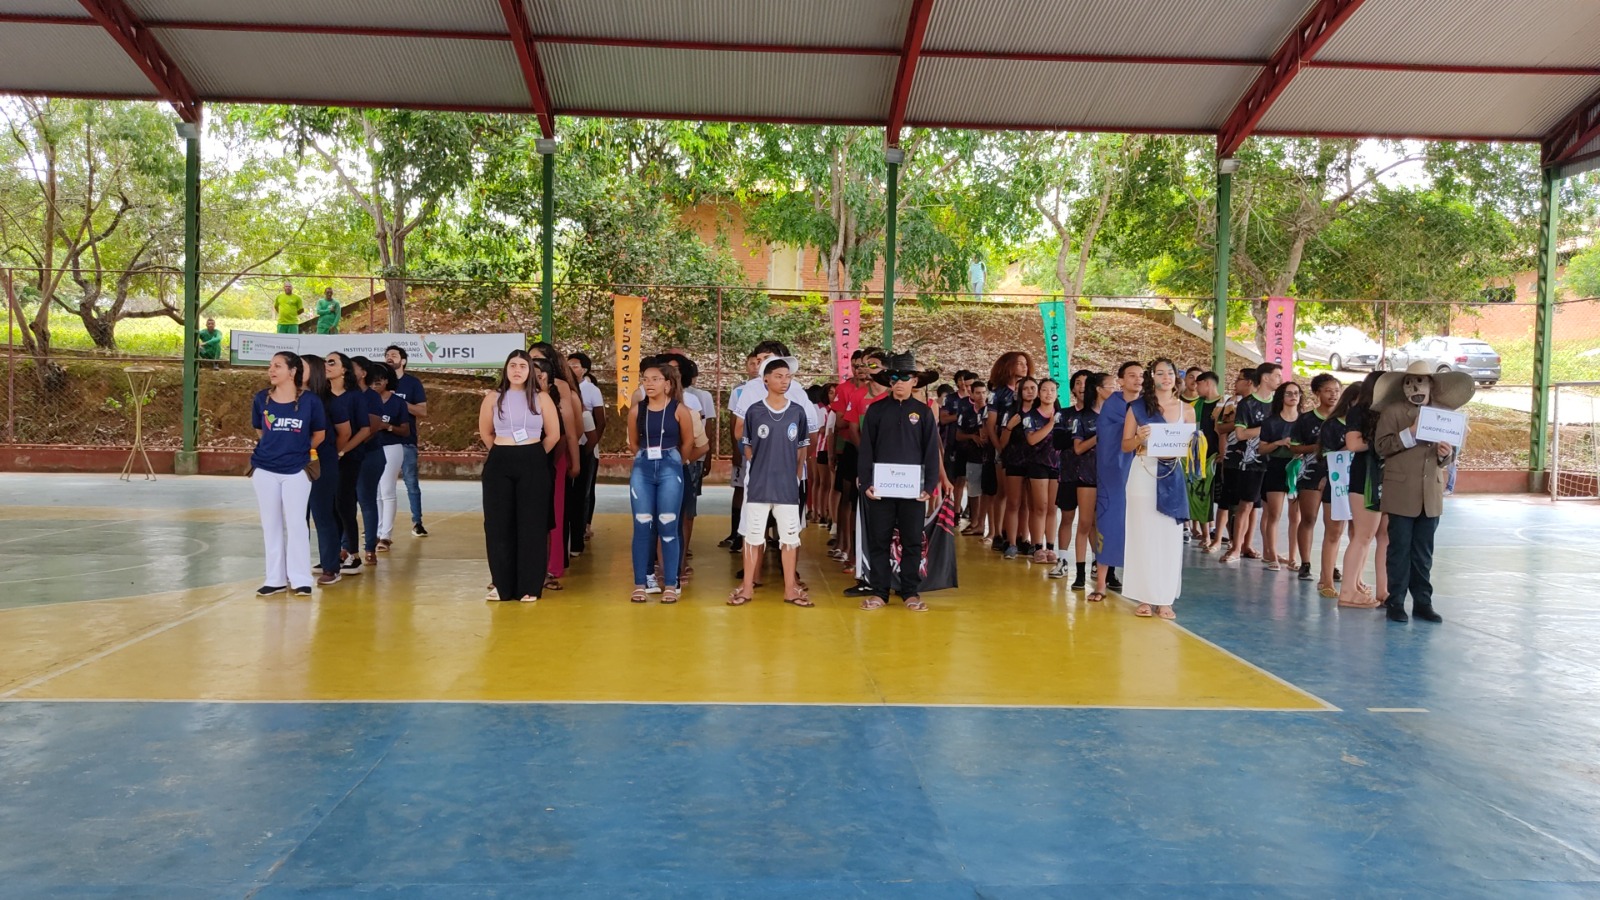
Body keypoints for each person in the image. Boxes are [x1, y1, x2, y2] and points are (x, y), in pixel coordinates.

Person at [1374, 362, 1474, 624]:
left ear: (1431, 384)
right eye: (1408, 382)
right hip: (1400, 491)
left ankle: (1423, 603)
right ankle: (1395, 602)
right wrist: (1410, 433)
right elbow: (1381, 447)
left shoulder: (1444, 415)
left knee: (1423, 553)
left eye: (1420, 381)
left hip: (1430, 494)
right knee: (1399, 550)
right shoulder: (1393, 412)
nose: (1414, 387)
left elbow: (1449, 456)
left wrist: (1445, 455)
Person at [856, 352, 942, 612]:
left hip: (913, 491)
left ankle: (910, 592)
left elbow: (931, 451)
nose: (899, 382)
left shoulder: (923, 413)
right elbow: (866, 449)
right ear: (889, 381)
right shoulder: (876, 410)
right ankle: (879, 592)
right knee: (879, 540)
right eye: (894, 377)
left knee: (912, 541)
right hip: (881, 490)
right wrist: (866, 483)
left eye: (905, 377)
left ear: (915, 381)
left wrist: (929, 486)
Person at [479, 350, 561, 603]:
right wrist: (503, 452)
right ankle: (502, 585)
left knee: (532, 525)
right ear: (505, 369)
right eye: (512, 365)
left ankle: (529, 586)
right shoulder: (493, 397)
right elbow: (486, 432)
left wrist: (533, 455)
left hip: (533, 459)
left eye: (522, 366)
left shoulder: (542, 398)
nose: (517, 370)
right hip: (500, 460)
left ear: (530, 371)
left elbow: (553, 435)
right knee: (498, 525)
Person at [729, 356, 811, 607]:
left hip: (787, 487)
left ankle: (790, 589)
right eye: (778, 376)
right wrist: (759, 467)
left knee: (790, 538)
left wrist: (794, 476)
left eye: (788, 377)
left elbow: (802, 449)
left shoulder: (797, 411)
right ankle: (747, 589)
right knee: (753, 537)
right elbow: (747, 446)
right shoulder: (755, 411)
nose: (784, 381)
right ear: (765, 380)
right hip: (759, 485)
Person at [1120, 358, 1195, 619]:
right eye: (1160, 373)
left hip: (1172, 474)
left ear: (1176, 377)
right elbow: (1125, 445)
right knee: (1143, 535)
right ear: (1152, 378)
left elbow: (1189, 446)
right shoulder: (1138, 408)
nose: (1165, 377)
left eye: (1169, 373)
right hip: (1143, 471)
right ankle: (1144, 596)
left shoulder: (1187, 410)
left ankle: (1164, 599)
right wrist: (1138, 438)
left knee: (1168, 537)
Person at [249, 351, 326, 597]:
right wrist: (275, 447)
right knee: (270, 524)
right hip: (264, 469)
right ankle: (275, 579)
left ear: (292, 371)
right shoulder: (261, 399)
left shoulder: (311, 401)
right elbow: (261, 431)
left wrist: (298, 450)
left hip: (297, 469)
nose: (271, 370)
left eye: (278, 366)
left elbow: (319, 434)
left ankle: (301, 579)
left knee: (296, 524)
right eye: (270, 366)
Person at [625, 357, 695, 604]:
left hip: (670, 467)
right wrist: (645, 458)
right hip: (643, 468)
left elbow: (688, 442)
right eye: (645, 379)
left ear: (667, 384)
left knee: (668, 525)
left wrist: (674, 461)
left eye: (656, 379)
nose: (650, 383)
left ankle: (671, 583)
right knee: (642, 525)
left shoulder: (679, 409)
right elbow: (634, 443)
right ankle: (641, 583)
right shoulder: (637, 410)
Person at [530, 345, 583, 591]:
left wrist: (574, 460)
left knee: (554, 511)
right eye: (529, 359)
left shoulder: (560, 387)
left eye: (538, 360)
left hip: (553, 457)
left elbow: (570, 430)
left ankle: (552, 565)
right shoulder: (514, 390)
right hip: (525, 458)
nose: (533, 365)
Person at [1219, 364, 1283, 565]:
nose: (1280, 380)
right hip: (1251, 461)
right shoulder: (1247, 404)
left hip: (1275, 461)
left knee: (1268, 509)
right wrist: (1267, 429)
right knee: (1246, 504)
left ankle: (1269, 551)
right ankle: (1236, 547)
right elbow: (1240, 434)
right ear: (1265, 378)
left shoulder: (1280, 404)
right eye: (1276, 375)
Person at [1091, 361, 1142, 601]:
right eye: (1131, 375)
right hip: (1115, 472)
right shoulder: (1113, 404)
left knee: (1141, 525)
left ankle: (1141, 584)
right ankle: (1101, 582)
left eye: (1141, 375)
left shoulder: (1149, 404)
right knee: (1110, 521)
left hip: (1143, 471)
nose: (1137, 379)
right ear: (1120, 381)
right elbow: (1111, 436)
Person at [1337, 373, 1387, 609]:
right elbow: (1353, 444)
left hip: (1383, 478)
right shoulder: (1360, 411)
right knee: (1362, 536)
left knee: (1377, 536)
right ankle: (1347, 591)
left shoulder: (1386, 411)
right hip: (1365, 478)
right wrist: (1385, 441)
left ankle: (1370, 587)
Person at [300, 354, 351, 587]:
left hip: (323, 462)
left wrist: (329, 453)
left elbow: (344, 433)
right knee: (297, 516)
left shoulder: (330, 401)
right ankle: (297, 566)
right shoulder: (289, 399)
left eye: (300, 367)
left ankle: (331, 566)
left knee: (322, 513)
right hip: (294, 463)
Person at [326, 352, 372, 576]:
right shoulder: (322, 396)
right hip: (326, 458)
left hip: (350, 457)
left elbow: (364, 429)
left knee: (344, 504)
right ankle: (333, 553)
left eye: (332, 362)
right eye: (325, 362)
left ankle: (354, 553)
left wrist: (343, 450)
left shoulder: (355, 397)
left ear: (344, 369)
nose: (326, 366)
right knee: (330, 506)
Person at [1291, 374, 1341, 582]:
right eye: (1328, 391)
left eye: (1337, 391)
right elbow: (1294, 447)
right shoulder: (1306, 419)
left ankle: (1330, 565)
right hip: (1311, 473)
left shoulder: (1343, 420)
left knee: (1334, 524)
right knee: (1309, 518)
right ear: (1317, 393)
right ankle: (1305, 562)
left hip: (1337, 477)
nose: (1333, 395)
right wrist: (1316, 447)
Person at [359, 361, 410, 558]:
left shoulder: (397, 403)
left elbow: (405, 430)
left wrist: (387, 427)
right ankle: (375, 531)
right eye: (372, 381)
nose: (375, 384)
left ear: (387, 381)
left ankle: (386, 535)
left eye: (379, 381)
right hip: (370, 449)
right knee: (374, 492)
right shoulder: (365, 400)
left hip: (391, 447)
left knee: (387, 490)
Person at [984, 351, 1033, 553]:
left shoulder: (1030, 389)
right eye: (1019, 363)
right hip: (1003, 446)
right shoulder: (998, 393)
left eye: (1025, 363)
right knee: (1003, 492)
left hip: (1025, 448)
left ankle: (1022, 536)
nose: (1024, 367)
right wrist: (998, 447)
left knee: (1024, 497)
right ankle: (998, 533)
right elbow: (990, 424)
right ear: (1008, 366)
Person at [1317, 383, 1361, 598]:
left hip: (1360, 483)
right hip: (1337, 484)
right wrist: (1352, 444)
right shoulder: (1332, 425)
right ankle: (1326, 579)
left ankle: (1356, 580)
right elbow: (1327, 455)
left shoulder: (1369, 425)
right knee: (1334, 532)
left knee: (1358, 533)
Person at [1071, 372, 1114, 590]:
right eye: (1111, 386)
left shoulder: (1118, 415)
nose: (1115, 390)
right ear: (1099, 389)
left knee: (1107, 525)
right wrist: (1099, 437)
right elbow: (1078, 449)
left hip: (1111, 477)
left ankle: (1108, 571)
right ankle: (1080, 572)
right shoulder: (1082, 417)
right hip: (1087, 475)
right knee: (1085, 523)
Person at [383, 346, 430, 538]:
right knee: (381, 485)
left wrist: (398, 402)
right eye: (387, 355)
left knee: (411, 482)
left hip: (406, 441)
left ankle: (417, 522)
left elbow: (422, 411)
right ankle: (378, 525)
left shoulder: (412, 383)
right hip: (383, 441)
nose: (389, 358)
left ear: (403, 361)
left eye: (394, 355)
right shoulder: (380, 383)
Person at [1048, 370, 1090, 579]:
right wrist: (1080, 436)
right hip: (1068, 473)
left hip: (1093, 476)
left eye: (1087, 383)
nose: (1083, 387)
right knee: (1067, 517)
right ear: (1073, 388)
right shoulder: (1063, 414)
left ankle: (1096, 563)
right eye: (1078, 383)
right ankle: (1062, 560)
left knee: (1091, 521)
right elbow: (1058, 442)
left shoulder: (1101, 415)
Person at [720, 351, 763, 552]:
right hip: (743, 448)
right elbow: (733, 421)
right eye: (751, 363)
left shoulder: (772, 388)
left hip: (762, 450)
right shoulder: (739, 391)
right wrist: (735, 449)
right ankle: (735, 532)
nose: (755, 367)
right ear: (746, 366)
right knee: (740, 488)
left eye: (758, 363)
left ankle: (766, 535)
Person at [1258, 380, 1303, 572]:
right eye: (1289, 393)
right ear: (1281, 397)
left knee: (1296, 516)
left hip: (1298, 467)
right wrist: (1278, 443)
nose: (1293, 397)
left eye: (1296, 393)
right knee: (1274, 514)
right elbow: (1261, 449)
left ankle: (1293, 557)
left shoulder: (1304, 420)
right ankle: (1273, 555)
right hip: (1276, 466)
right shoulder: (1271, 422)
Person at [566, 351, 607, 554]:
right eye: (568, 365)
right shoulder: (562, 387)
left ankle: (582, 528)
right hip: (567, 448)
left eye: (575, 365)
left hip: (586, 446)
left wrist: (589, 448)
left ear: (584, 369)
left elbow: (600, 421)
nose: (571, 368)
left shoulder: (591, 390)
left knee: (584, 491)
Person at [995, 377, 1039, 559]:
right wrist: (1009, 428)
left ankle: (1026, 539)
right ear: (1019, 392)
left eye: (1033, 388)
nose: (1029, 391)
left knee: (1029, 504)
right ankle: (1011, 543)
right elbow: (1002, 443)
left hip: (1036, 461)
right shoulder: (1011, 412)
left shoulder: (1041, 411)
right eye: (1025, 388)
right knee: (1013, 502)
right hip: (1014, 460)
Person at [1021, 378, 1063, 565]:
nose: (1048, 393)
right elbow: (1032, 440)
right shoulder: (1030, 416)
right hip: (1037, 464)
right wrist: (1051, 424)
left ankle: (1051, 547)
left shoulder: (1063, 415)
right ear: (1039, 393)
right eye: (1044, 390)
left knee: (1052, 508)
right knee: (1040, 506)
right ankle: (1038, 547)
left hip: (1057, 464)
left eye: (1052, 390)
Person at [1187, 371, 1222, 544]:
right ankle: (1205, 534)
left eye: (1198, 384)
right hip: (1198, 457)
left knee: (1219, 498)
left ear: (1207, 383)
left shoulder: (1224, 404)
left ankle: (1220, 535)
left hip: (1216, 456)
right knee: (1200, 495)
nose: (1196, 387)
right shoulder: (1196, 405)